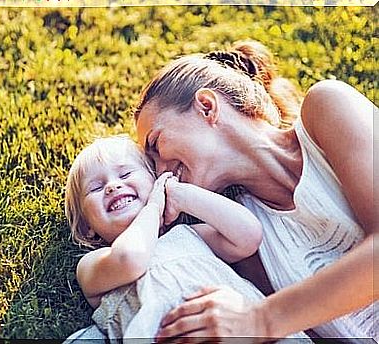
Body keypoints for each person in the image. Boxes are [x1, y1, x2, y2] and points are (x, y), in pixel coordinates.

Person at [134, 40, 377, 342]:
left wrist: (260, 320)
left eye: (156, 144)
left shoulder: (327, 107)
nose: (161, 171)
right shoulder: (247, 246)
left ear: (206, 106)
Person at [63, 135, 310, 342]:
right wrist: (153, 208)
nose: (112, 187)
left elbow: (248, 235)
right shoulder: (94, 264)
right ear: (87, 229)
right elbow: (131, 259)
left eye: (126, 174)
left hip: (244, 328)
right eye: (96, 188)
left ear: (155, 181)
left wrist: (179, 194)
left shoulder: (189, 236)